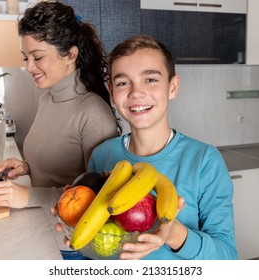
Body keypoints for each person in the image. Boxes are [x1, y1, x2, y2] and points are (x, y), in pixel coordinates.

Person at [59, 35, 238, 260]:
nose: (136, 92)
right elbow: (100, 245)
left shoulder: (204, 161)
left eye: (150, 79)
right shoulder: (102, 155)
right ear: (112, 92)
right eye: (123, 83)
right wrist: (73, 221)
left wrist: (176, 235)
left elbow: (228, 258)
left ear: (173, 87)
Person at [0, 1, 120, 259]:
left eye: (38, 57)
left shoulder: (93, 114)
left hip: (71, 247)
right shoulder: (48, 99)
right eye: (26, 57)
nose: (28, 66)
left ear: (71, 54)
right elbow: (62, 163)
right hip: (40, 228)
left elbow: (97, 199)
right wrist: (27, 166)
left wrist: (26, 196)